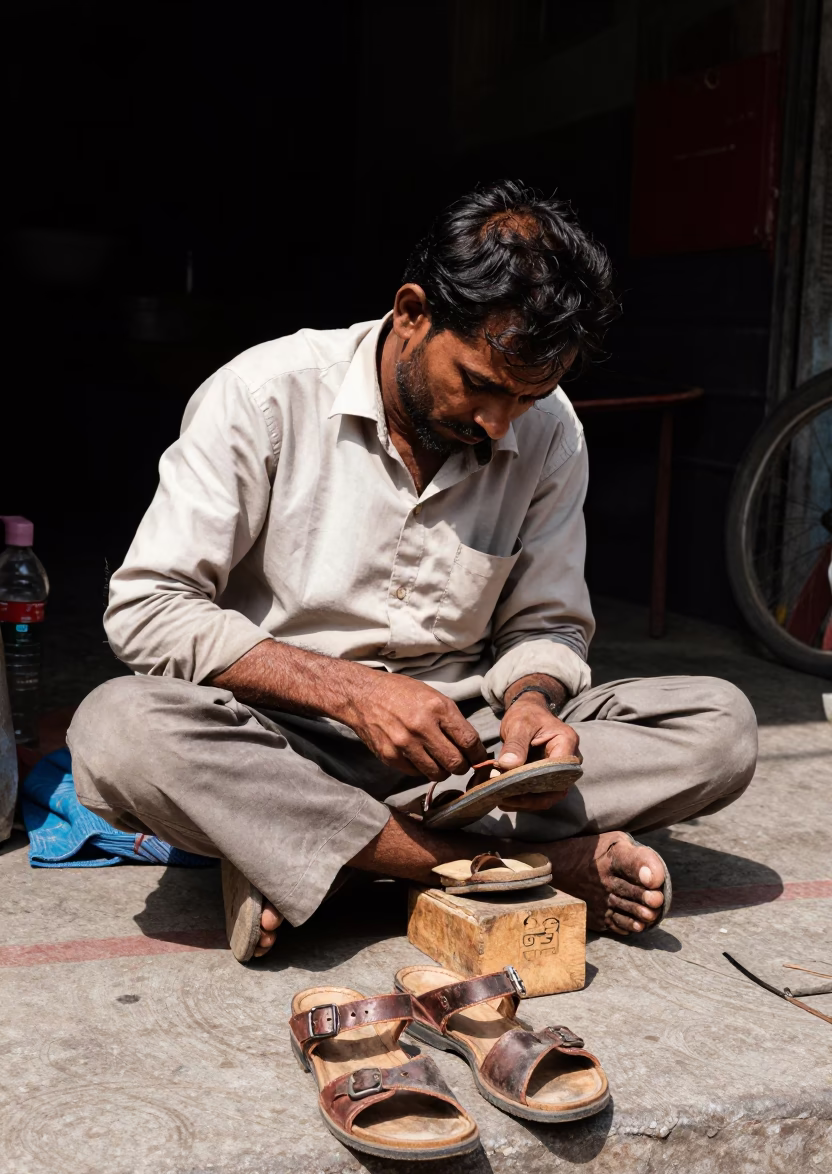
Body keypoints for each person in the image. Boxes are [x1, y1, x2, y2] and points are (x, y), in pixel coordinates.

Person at [68, 180, 757, 957]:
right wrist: (353, 693)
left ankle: (325, 855)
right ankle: (511, 867)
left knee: (719, 728)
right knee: (119, 730)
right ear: (411, 313)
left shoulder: (552, 432)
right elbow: (149, 608)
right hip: (284, 740)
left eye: (528, 398)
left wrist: (532, 702)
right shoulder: (263, 396)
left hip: (469, 755)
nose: (497, 422)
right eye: (480, 384)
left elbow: (547, 622)